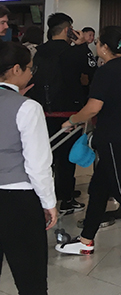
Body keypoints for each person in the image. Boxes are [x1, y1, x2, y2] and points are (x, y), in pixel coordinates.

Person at [56, 27, 121, 262]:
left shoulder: (107, 72)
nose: (96, 46)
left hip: (114, 137)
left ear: (104, 47)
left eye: (98, 43)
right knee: (99, 189)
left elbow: (94, 107)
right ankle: (86, 240)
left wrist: (72, 120)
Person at [0, 42, 58, 295]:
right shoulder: (27, 108)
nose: (31, 74)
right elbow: (37, 164)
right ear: (15, 69)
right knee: (31, 284)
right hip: (17, 202)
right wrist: (49, 203)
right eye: (28, 69)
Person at [28, 13, 85, 215]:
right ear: (67, 29)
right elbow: (88, 71)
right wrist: (81, 46)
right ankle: (67, 198)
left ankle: (48, 195)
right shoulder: (71, 52)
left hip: (42, 110)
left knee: (46, 154)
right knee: (67, 156)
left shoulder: (38, 51)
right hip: (68, 110)